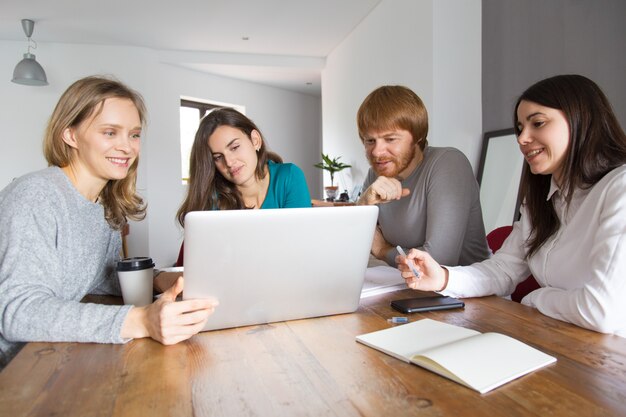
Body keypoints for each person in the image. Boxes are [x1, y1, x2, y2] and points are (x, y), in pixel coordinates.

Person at [0, 76, 218, 370]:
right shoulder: (35, 196)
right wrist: (141, 320)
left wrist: (157, 279)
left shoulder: (107, 205)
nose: (126, 147)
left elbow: (100, 279)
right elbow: (18, 312)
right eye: (110, 132)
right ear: (71, 135)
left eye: (134, 134)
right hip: (17, 373)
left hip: (56, 357)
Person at [397, 74, 626, 337]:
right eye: (520, 128)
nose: (522, 138)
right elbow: (504, 269)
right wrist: (443, 278)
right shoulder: (543, 199)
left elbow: (602, 310)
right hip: (560, 340)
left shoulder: (619, 188)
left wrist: (536, 298)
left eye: (537, 123)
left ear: (581, 121)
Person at [356, 85, 490, 267]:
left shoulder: (448, 163)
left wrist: (382, 250)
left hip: (466, 292)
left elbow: (438, 261)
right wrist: (364, 203)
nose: (377, 152)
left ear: (417, 136)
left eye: (390, 139)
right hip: (406, 284)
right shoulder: (376, 173)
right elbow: (353, 246)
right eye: (370, 140)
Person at [174, 107, 311, 265]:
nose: (229, 162)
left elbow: (298, 251)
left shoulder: (289, 177)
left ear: (255, 140)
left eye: (234, 147)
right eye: (218, 157)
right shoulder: (213, 200)